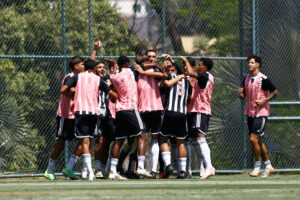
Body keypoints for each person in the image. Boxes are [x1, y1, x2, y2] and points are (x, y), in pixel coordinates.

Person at [61, 59, 118, 181]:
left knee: (84, 142)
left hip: (81, 112)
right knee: (87, 142)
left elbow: (62, 90)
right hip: (94, 113)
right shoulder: (98, 80)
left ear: (84, 67)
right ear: (94, 68)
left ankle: (89, 172)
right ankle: (81, 170)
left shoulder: (78, 77)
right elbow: (113, 95)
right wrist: (116, 98)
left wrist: (73, 95)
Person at [108, 56, 152, 179]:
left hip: (119, 110)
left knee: (119, 140)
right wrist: (152, 64)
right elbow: (144, 66)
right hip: (131, 108)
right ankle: (141, 168)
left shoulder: (113, 76)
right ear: (127, 63)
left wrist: (113, 67)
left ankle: (112, 170)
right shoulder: (131, 70)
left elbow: (112, 78)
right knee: (142, 135)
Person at [44, 56, 85, 180]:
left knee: (83, 141)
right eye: (82, 64)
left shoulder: (81, 77)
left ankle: (69, 168)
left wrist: (95, 50)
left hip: (77, 115)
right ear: (76, 67)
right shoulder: (69, 77)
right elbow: (64, 91)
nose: (84, 66)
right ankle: (49, 170)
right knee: (61, 142)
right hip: (65, 115)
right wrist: (73, 92)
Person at [238, 55, 278, 177]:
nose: (249, 64)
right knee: (258, 141)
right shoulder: (246, 78)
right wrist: (240, 95)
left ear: (258, 65)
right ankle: (268, 165)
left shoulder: (263, 79)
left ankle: (257, 167)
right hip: (250, 113)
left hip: (261, 113)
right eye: (248, 63)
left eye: (252, 63)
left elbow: (275, 92)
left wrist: (264, 101)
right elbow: (243, 95)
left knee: (252, 139)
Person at [134, 54, 168, 178]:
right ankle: (141, 168)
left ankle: (153, 170)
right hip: (142, 108)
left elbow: (164, 76)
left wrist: (156, 67)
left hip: (156, 107)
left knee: (154, 139)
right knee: (142, 138)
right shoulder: (137, 69)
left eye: (154, 57)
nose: (152, 59)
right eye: (150, 57)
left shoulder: (155, 70)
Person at [182, 56, 216, 179]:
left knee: (201, 139)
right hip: (196, 111)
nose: (198, 66)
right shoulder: (203, 77)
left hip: (200, 111)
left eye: (200, 64)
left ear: (205, 67)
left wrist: (185, 61)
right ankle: (205, 167)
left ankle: (209, 166)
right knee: (196, 140)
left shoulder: (205, 75)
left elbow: (191, 73)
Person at [159, 63, 192, 179]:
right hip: (182, 114)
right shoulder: (187, 82)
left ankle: (168, 164)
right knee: (181, 142)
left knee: (163, 140)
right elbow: (189, 99)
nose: (170, 71)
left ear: (175, 71)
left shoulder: (169, 77)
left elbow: (164, 86)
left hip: (169, 112)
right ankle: (182, 171)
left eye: (171, 70)